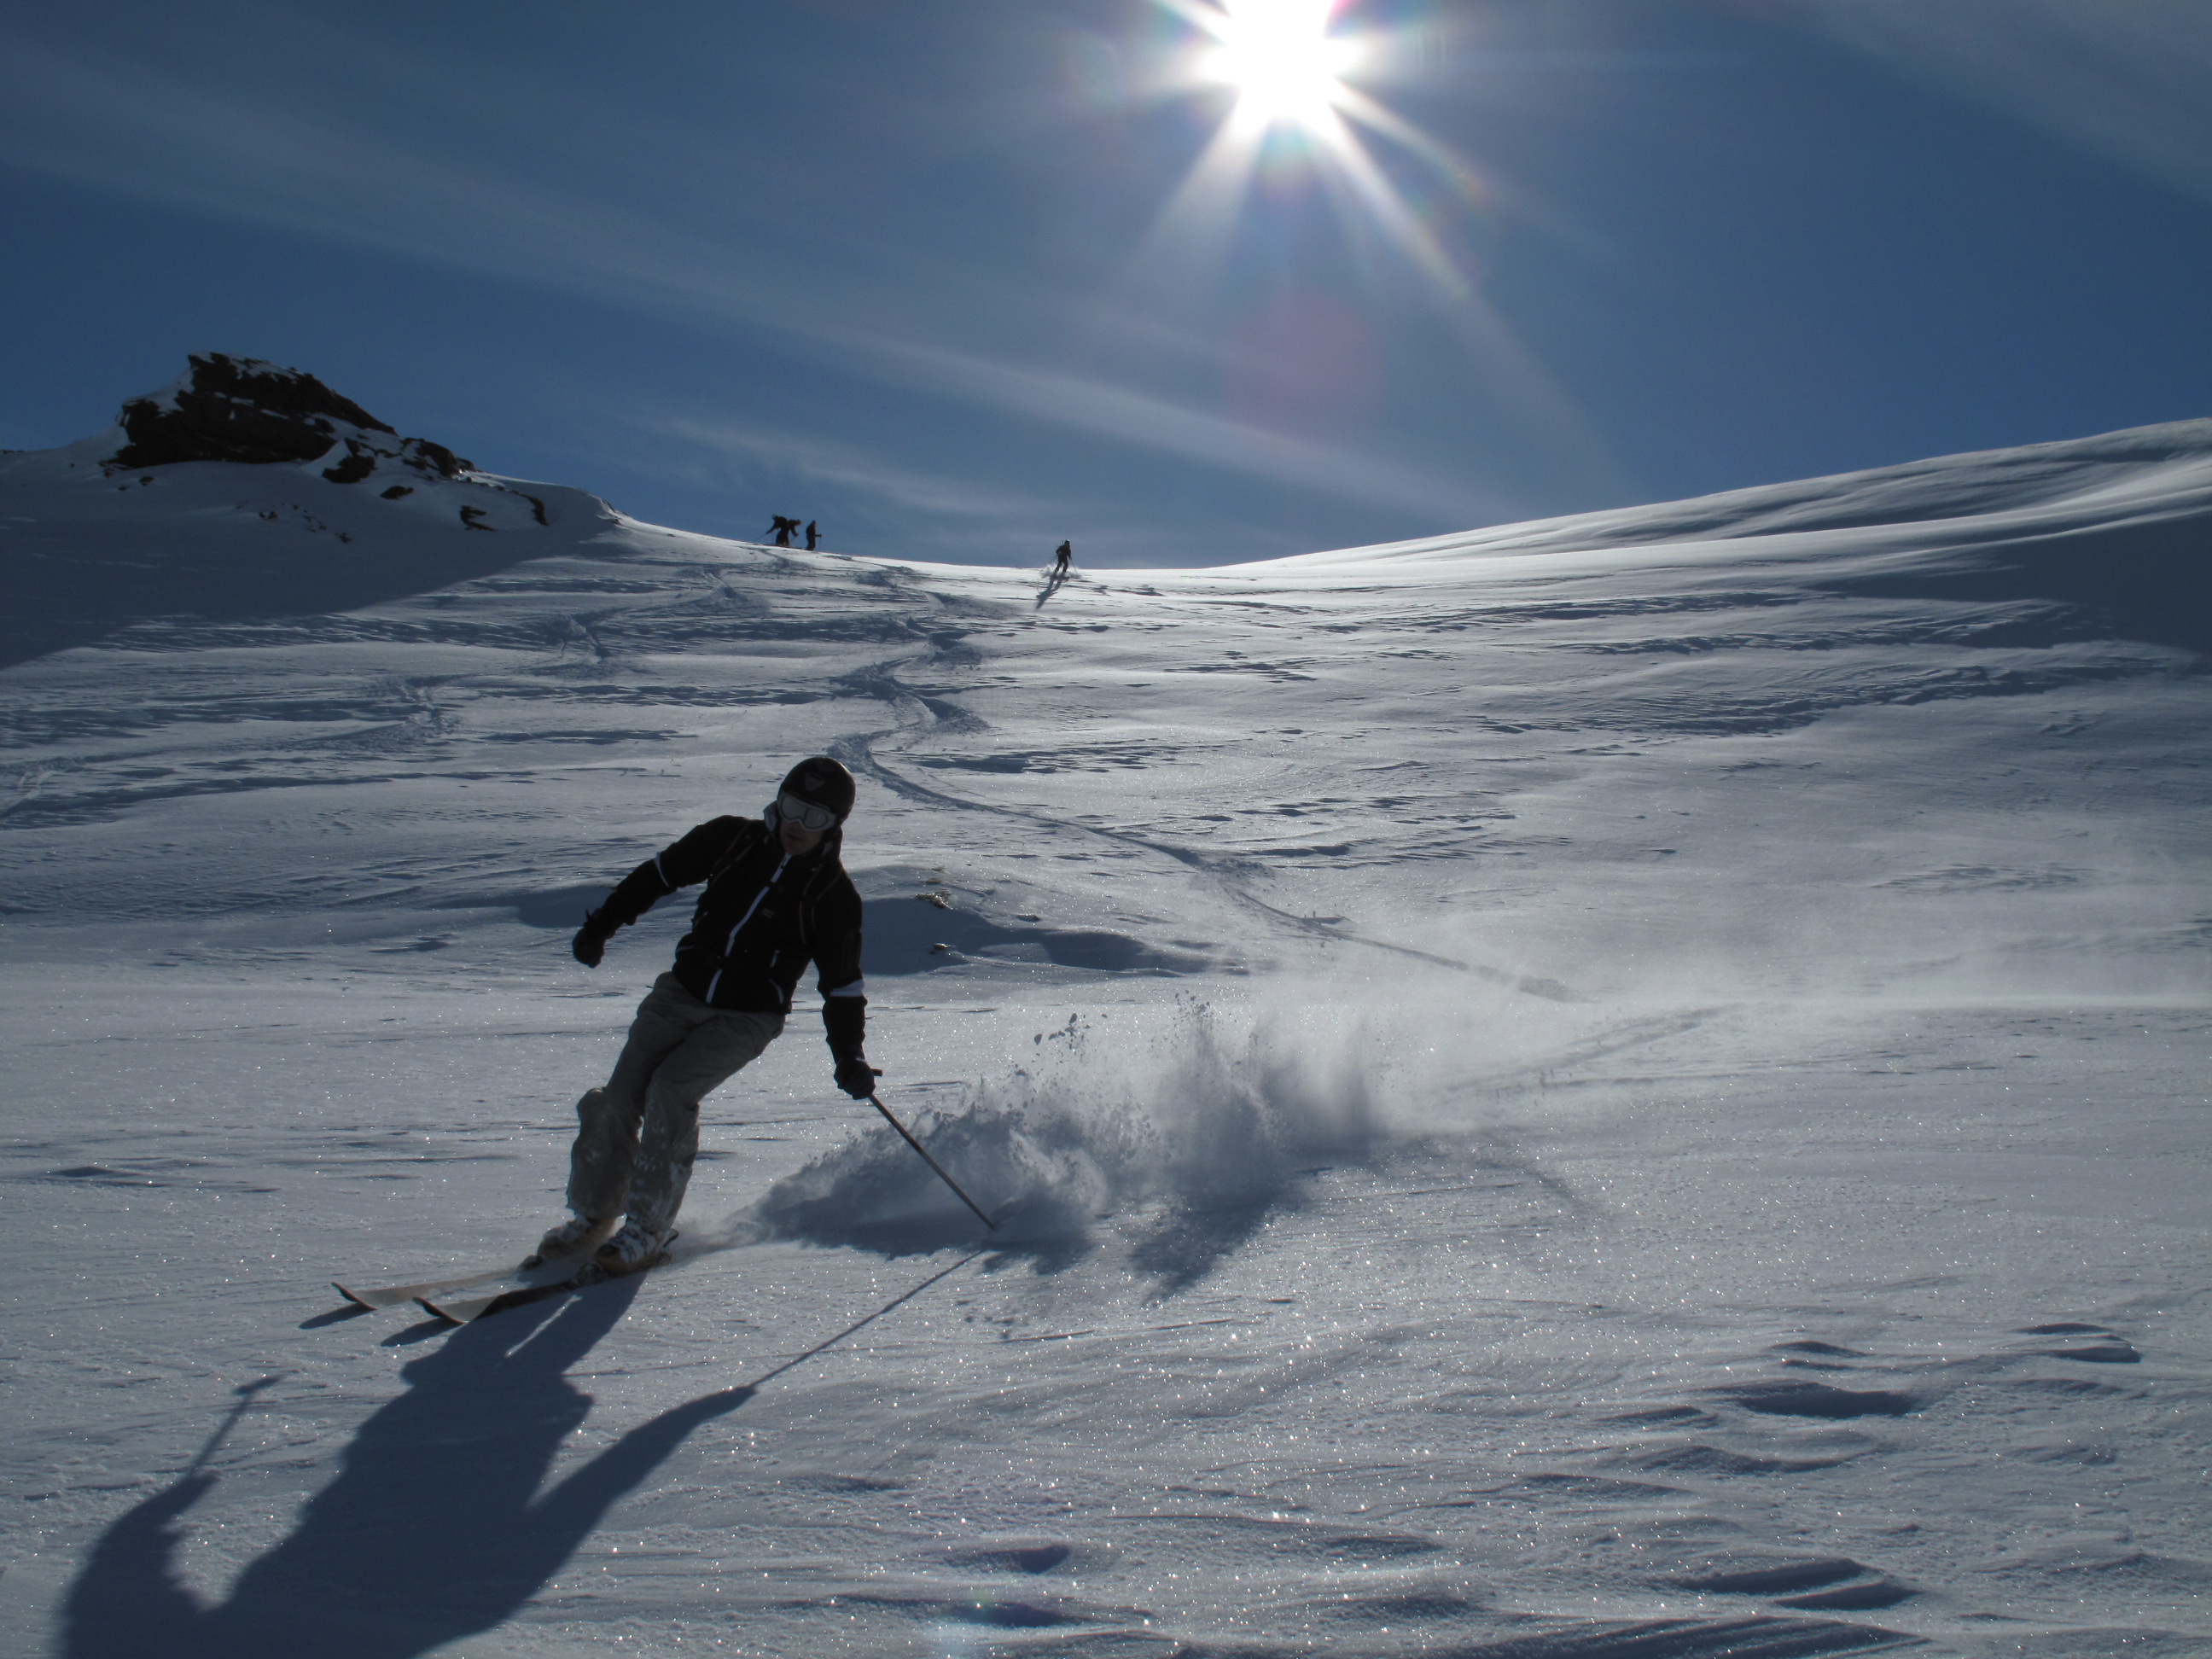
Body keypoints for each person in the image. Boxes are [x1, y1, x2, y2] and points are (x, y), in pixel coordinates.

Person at [538, 756, 879, 1273]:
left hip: (747, 1018)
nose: (797, 825)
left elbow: (843, 986)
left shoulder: (834, 897)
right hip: (681, 992)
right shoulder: (731, 840)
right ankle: (593, 1217)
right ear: (778, 801)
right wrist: (601, 926)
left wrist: (849, 1055)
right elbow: (658, 876)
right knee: (622, 1095)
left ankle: (647, 1227)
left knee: (671, 1091)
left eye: (815, 818)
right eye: (792, 807)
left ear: (834, 826)